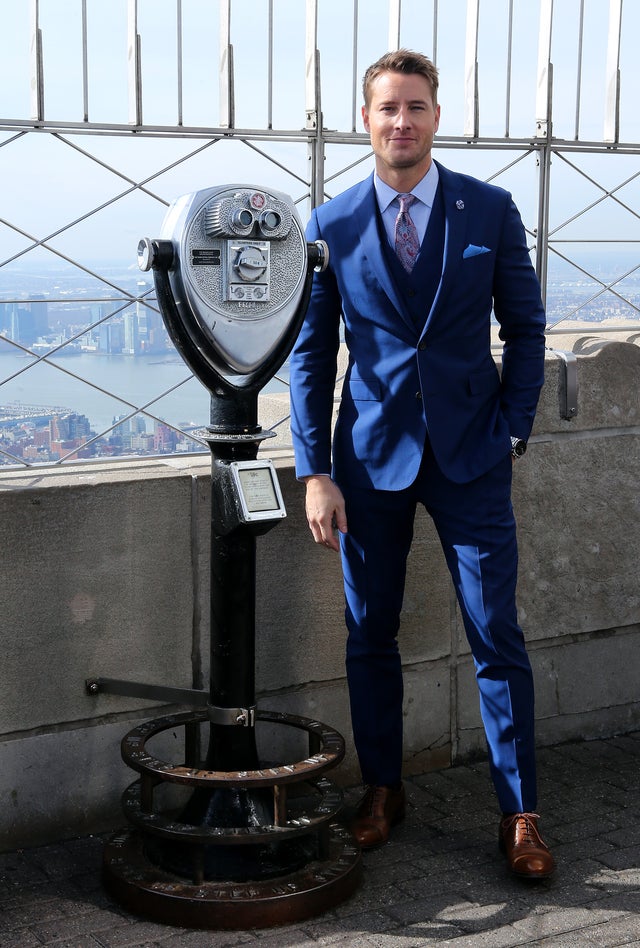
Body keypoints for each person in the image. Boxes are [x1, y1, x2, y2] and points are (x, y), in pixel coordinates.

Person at [289, 49, 554, 879]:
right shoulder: (328, 224)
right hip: (366, 462)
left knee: (495, 634)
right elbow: (310, 355)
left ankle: (521, 814)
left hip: (473, 456)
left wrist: (513, 428)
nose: (401, 121)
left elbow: (528, 328)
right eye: (386, 108)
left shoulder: (492, 210)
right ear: (365, 120)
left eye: (416, 106)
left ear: (437, 115)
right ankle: (383, 790)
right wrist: (314, 472)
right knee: (370, 634)